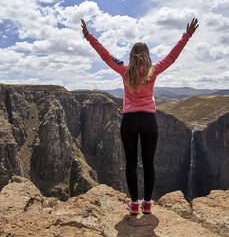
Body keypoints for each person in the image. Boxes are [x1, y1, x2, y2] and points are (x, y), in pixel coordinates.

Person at [81, 17, 199, 215]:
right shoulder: (153, 71)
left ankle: (134, 204)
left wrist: (88, 36)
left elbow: (105, 56)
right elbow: (172, 57)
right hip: (148, 120)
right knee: (148, 162)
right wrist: (186, 36)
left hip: (129, 120)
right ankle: (148, 204)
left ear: (132, 55)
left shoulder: (124, 71)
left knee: (130, 163)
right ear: (147, 55)